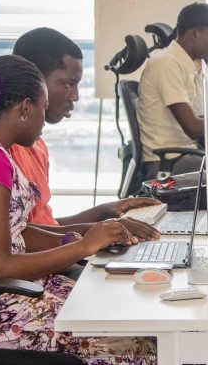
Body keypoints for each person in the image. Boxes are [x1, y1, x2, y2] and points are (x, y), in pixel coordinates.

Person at [0, 55, 156, 365]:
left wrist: (77, 237)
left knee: (118, 311)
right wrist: (82, 247)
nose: (43, 118)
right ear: (25, 108)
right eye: (42, 106)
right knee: (139, 346)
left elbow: (16, 230)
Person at [11, 27, 160, 241]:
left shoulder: (36, 145)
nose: (76, 96)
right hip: (35, 266)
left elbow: (45, 227)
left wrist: (106, 212)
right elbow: (22, 239)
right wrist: (91, 237)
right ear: (34, 79)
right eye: (69, 83)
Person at [137, 2, 208, 180]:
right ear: (195, 34)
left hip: (189, 153)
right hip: (168, 162)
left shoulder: (192, 65)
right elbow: (194, 128)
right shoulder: (166, 63)